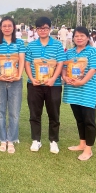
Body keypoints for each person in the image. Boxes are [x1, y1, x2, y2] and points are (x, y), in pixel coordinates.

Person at [25, 17, 66, 154]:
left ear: (50, 29)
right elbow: (27, 63)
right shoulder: (31, 45)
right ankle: (36, 140)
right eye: (40, 28)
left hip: (53, 85)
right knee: (34, 113)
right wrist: (31, 78)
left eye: (45, 28)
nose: (43, 31)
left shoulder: (57, 45)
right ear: (36, 30)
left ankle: (53, 141)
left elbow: (60, 63)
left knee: (53, 113)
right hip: (34, 84)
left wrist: (54, 78)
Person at [62, 26, 96, 161]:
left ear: (87, 38)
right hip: (73, 90)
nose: (79, 38)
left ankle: (88, 150)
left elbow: (94, 68)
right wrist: (65, 77)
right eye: (76, 36)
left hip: (87, 91)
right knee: (79, 119)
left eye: (82, 36)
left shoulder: (92, 51)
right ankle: (82, 143)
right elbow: (64, 67)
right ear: (73, 38)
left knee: (89, 121)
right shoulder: (70, 52)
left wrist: (82, 81)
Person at [0, 17, 25, 153]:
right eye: (4, 26)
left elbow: (22, 60)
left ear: (13, 27)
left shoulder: (20, 43)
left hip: (16, 82)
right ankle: (2, 138)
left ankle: (11, 139)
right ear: (0, 28)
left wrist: (18, 75)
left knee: (14, 112)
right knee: (0, 111)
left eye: (9, 26)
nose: (6, 28)